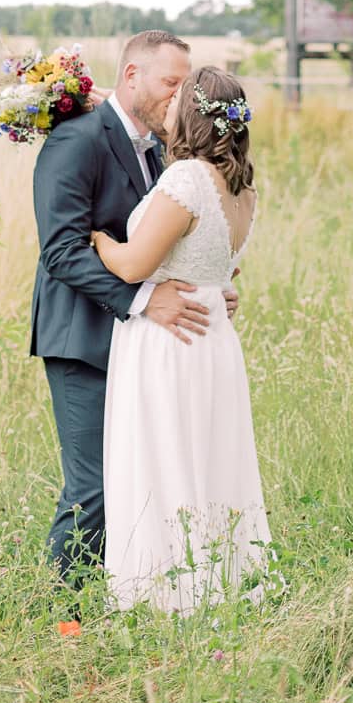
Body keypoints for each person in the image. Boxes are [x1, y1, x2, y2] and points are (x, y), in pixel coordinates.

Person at [30, 31, 238, 583]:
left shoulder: (166, 151)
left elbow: (169, 242)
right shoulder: (78, 139)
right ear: (131, 76)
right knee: (94, 487)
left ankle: (123, 598)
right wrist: (146, 299)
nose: (179, 95)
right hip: (84, 336)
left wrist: (206, 286)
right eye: (171, 82)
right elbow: (60, 250)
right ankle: (60, 613)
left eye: (184, 85)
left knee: (137, 478)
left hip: (143, 346)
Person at [91, 64, 270, 614]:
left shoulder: (187, 178)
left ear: (191, 114)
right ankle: (218, 583)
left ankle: (162, 595)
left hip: (168, 342)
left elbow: (133, 264)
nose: (166, 104)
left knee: (163, 455)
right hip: (211, 338)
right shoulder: (243, 189)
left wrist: (98, 239)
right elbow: (219, 268)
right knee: (208, 459)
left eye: (176, 98)